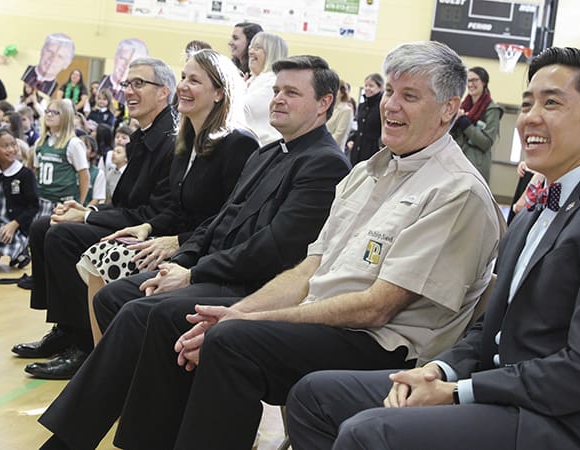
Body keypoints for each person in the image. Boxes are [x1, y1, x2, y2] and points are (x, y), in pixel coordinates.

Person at [41, 43, 505, 450]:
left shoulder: (454, 191)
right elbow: (308, 271)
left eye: (410, 96)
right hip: (326, 317)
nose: (391, 106)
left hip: (382, 346)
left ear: (449, 109)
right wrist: (233, 310)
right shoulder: (368, 172)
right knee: (192, 323)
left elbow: (376, 308)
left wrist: (243, 315)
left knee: (226, 339)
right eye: (389, 92)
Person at [285, 46, 580, 450]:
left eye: (552, 103)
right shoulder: (529, 212)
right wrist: (439, 371)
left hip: (566, 425)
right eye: (526, 103)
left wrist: (459, 392)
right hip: (504, 395)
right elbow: (487, 330)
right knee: (315, 396)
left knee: (369, 433)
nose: (530, 117)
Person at [37, 54, 353, 450]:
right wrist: (182, 261)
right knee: (115, 296)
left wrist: (195, 271)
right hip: (218, 271)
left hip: (255, 288)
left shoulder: (325, 164)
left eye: (291, 92)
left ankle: (87, 439)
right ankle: (147, 422)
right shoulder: (269, 152)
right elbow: (219, 221)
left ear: (324, 104)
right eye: (276, 91)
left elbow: (275, 248)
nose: (277, 99)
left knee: (141, 311)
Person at [78, 49, 260, 344]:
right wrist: (147, 228)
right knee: (97, 253)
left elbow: (229, 217)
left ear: (218, 93)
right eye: (184, 77)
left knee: (104, 262)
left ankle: (106, 363)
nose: (183, 86)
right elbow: (176, 207)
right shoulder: (185, 140)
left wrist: (178, 241)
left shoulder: (239, 143)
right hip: (177, 239)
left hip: (203, 250)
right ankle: (98, 358)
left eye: (195, 81)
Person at [11, 57, 177, 379]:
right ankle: (65, 328)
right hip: (131, 218)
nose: (129, 90)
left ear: (163, 93)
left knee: (60, 235)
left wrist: (88, 215)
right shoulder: (144, 136)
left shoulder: (168, 142)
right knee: (45, 225)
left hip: (150, 232)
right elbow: (126, 200)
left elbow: (155, 214)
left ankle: (84, 344)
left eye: (139, 83)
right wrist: (87, 211)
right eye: (127, 84)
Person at [0, 129, 38, 267]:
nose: (11, 149)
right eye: (5, 146)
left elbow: (33, 206)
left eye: (13, 144)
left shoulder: (25, 174)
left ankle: (17, 252)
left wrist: (14, 224)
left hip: (14, 226)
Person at [33, 99, 90, 215]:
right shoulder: (40, 142)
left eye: (55, 112)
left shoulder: (73, 143)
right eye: (48, 111)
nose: (49, 115)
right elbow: (36, 170)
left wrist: (79, 203)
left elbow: (84, 175)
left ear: (66, 117)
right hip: (42, 200)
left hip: (63, 202)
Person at [450, 66, 503, 183]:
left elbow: (486, 142)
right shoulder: (462, 106)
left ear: (484, 82)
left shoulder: (492, 109)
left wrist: (465, 123)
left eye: (475, 80)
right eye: (468, 80)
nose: (470, 84)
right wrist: (453, 123)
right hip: (457, 162)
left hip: (476, 166)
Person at [244, 31, 288, 145]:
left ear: (271, 53)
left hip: (261, 146)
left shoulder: (273, 82)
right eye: (251, 47)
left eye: (257, 48)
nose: (250, 52)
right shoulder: (253, 80)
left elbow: (243, 108)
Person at [346, 73, 383, 165]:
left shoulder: (382, 107)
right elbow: (360, 128)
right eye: (366, 85)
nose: (367, 88)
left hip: (372, 151)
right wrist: (352, 139)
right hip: (357, 150)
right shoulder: (362, 106)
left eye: (371, 86)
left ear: (380, 87)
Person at [99, 38, 149, 104]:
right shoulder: (100, 82)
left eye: (132, 64)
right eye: (123, 59)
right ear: (116, 57)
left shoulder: (140, 97)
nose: (126, 66)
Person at [326, 79, 354, 150]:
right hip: (321, 147)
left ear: (342, 93)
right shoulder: (329, 107)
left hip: (332, 149)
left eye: (335, 89)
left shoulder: (346, 110)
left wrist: (320, 143)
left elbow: (339, 135)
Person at [79, 135, 106, 207]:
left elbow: (96, 199)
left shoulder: (98, 173)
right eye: (79, 146)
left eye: (85, 147)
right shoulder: (67, 168)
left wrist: (81, 212)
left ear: (92, 153)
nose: (80, 149)